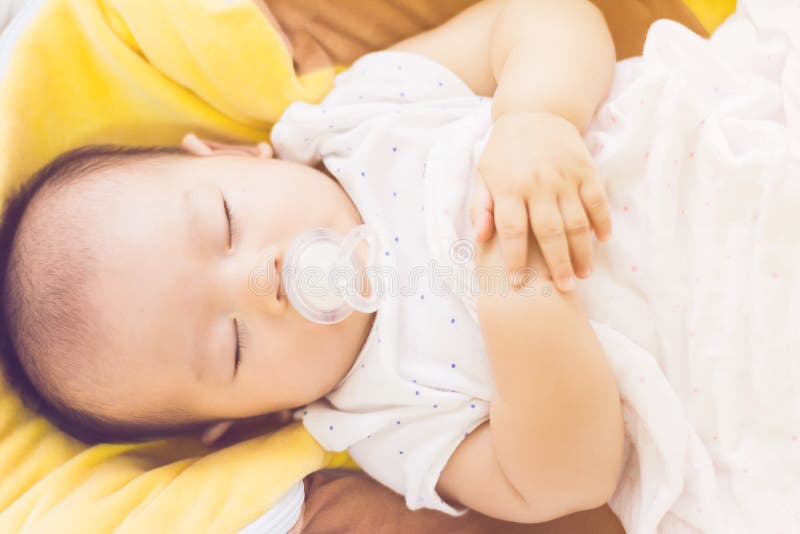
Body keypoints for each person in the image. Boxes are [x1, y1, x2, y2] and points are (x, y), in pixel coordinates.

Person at [0, 0, 627, 523]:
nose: (258, 282)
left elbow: (541, 17)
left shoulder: (364, 116)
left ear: (236, 157)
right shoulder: (381, 423)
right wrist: (526, 319)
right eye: (234, 346)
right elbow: (567, 483)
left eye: (224, 222)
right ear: (250, 420)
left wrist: (536, 115)